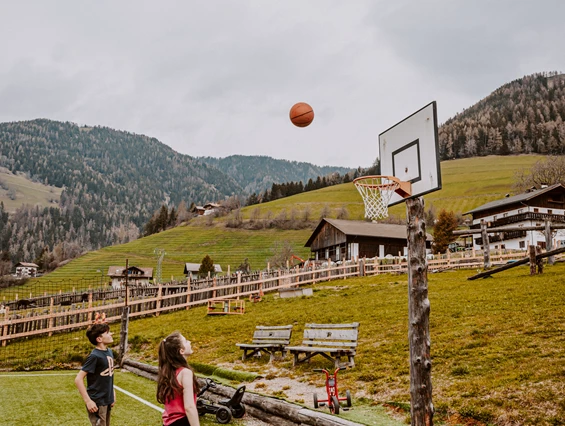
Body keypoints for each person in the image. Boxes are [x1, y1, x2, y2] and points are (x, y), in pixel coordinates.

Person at [74, 323, 116, 426]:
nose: (111, 334)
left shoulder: (109, 351)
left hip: (107, 399)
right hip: (97, 401)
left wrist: (112, 393)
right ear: (99, 339)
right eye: (107, 333)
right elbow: (78, 379)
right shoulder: (94, 356)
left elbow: (109, 375)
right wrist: (88, 401)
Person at [157, 332, 200, 426]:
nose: (190, 342)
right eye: (186, 341)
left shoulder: (167, 373)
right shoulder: (185, 373)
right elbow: (189, 407)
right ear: (181, 351)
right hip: (182, 422)